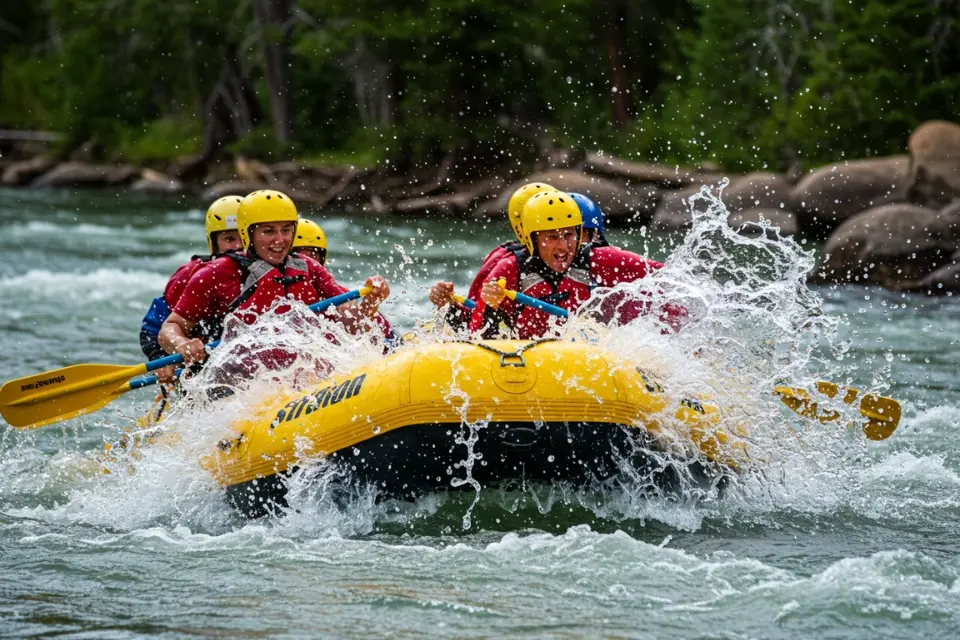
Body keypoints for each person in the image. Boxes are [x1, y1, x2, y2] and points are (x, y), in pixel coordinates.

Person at [158, 190, 390, 371]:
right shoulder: (214, 274)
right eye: (268, 231)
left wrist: (371, 302)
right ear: (248, 233)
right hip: (240, 380)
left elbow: (352, 325)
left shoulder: (308, 268)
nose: (280, 240)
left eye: (286, 230)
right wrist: (181, 344)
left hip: (303, 373)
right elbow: (170, 327)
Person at [469, 190, 685, 339]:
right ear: (532, 238)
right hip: (530, 359)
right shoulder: (509, 268)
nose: (563, 246)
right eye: (552, 237)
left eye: (569, 235)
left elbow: (668, 277)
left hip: (587, 355)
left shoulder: (600, 259)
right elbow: (476, 335)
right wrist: (490, 305)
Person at [139, 196, 244, 382]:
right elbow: (153, 327)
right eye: (229, 238)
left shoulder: (275, 271)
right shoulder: (193, 275)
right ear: (214, 242)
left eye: (243, 237)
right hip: (200, 367)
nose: (237, 246)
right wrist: (160, 359)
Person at [428, 182, 557, 327]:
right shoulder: (505, 262)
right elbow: (470, 323)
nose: (562, 244)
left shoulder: (581, 259)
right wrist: (449, 304)